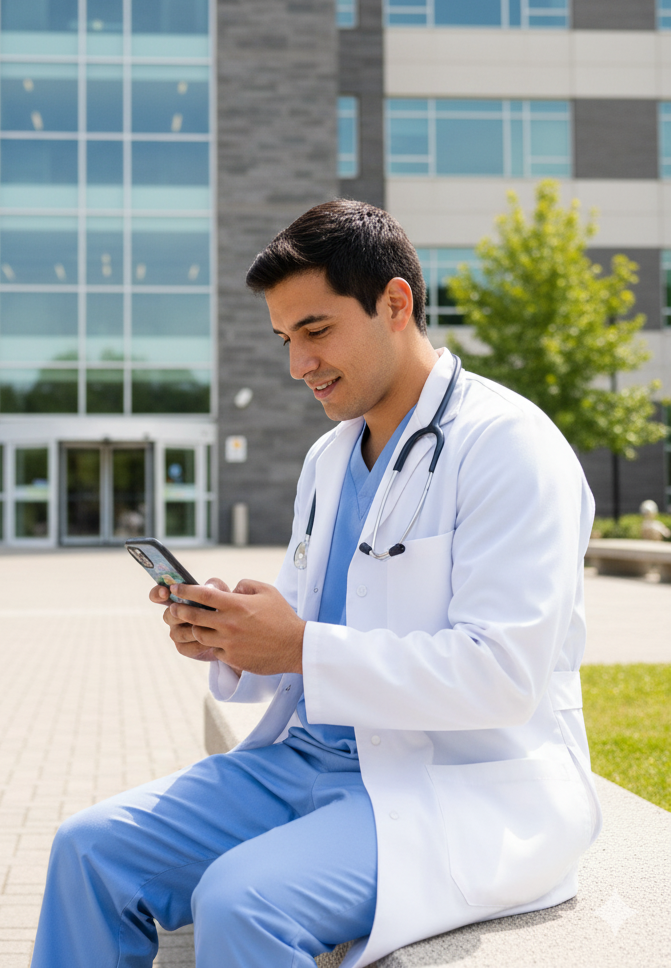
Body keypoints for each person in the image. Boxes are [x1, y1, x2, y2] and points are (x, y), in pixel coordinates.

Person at [30, 200, 601, 968]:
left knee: (243, 900)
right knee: (89, 851)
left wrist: (297, 646)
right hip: (314, 760)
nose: (298, 364)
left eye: (316, 330)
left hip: (459, 782)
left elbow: (503, 677)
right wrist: (229, 631)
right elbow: (306, 623)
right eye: (284, 339)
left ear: (395, 304)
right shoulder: (330, 458)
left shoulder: (509, 446)